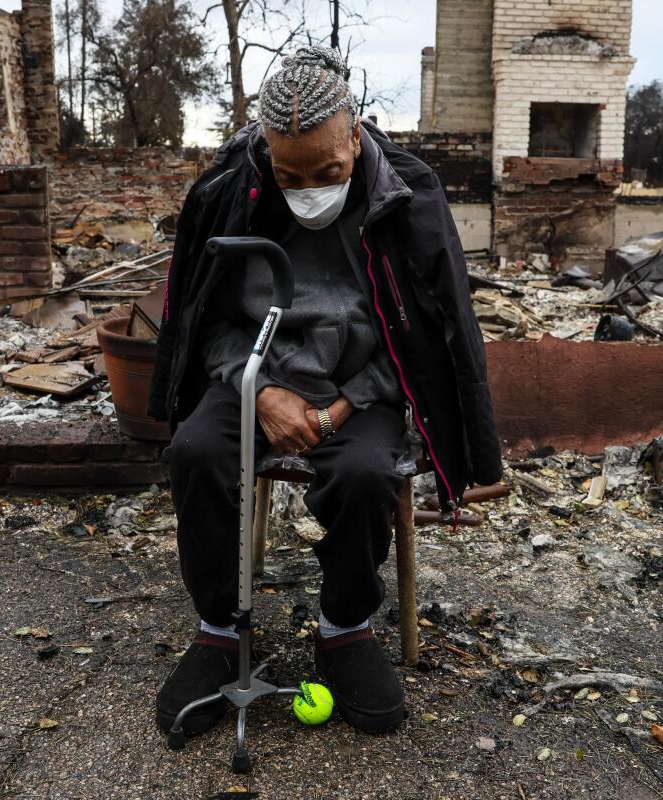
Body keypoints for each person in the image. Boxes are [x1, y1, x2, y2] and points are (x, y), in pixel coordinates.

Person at [148, 45, 502, 736]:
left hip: (360, 387)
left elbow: (424, 333)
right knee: (195, 451)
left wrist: (343, 403)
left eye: (329, 172)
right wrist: (260, 392)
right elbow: (205, 319)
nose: (310, 189)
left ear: (356, 133)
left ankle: (343, 627)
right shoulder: (231, 188)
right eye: (290, 175)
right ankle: (219, 631)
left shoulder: (407, 193)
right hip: (253, 372)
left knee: (369, 473)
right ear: (263, 153)